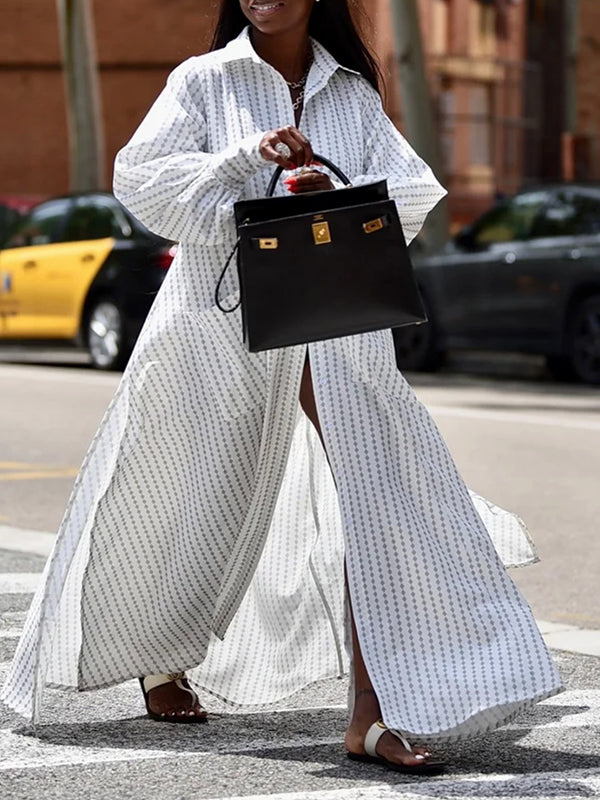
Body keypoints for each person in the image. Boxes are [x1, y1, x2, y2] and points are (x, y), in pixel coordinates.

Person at [2, 0, 562, 775]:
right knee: (188, 492)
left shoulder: (351, 93)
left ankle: (375, 711)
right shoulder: (204, 80)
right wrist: (246, 160)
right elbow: (144, 184)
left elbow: (410, 192)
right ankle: (160, 652)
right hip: (216, 319)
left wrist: (331, 197)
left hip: (332, 318)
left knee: (379, 493)